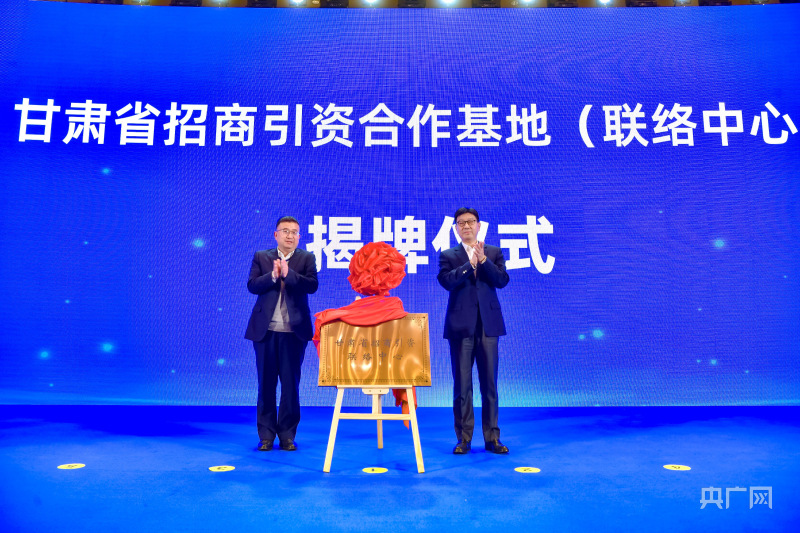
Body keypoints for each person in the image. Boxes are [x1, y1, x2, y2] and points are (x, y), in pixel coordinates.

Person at [437, 208, 510, 455]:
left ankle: (493, 438)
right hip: (460, 327)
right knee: (462, 386)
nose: (466, 226)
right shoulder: (448, 255)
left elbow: (502, 280)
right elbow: (447, 282)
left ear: (479, 225)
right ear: (456, 228)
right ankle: (464, 439)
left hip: (488, 326)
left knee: (490, 385)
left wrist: (484, 261)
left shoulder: (493, 252)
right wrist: (470, 265)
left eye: (470, 221)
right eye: (461, 223)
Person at [245, 216, 318, 451]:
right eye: (285, 231)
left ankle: (287, 435)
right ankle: (266, 436)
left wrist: (289, 274)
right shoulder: (261, 257)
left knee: (290, 387)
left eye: (294, 232)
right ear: (276, 235)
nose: (290, 235)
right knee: (265, 385)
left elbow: (312, 286)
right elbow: (252, 285)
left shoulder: (307, 258)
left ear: (299, 236)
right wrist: (274, 276)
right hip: (265, 331)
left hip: (294, 332)